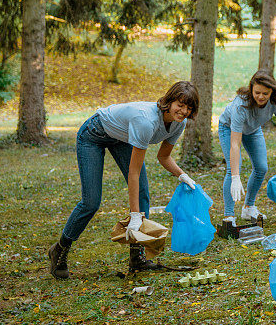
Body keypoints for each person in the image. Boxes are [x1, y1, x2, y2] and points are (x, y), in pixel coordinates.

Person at [48, 81, 201, 279]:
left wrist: (182, 175)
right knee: (91, 202)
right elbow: (134, 173)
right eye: (180, 105)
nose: (183, 111)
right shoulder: (146, 121)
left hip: (121, 137)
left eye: (189, 108)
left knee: (143, 192)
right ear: (169, 101)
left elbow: (163, 157)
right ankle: (60, 250)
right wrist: (134, 215)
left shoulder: (179, 123)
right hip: (94, 134)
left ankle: (137, 258)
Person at [218, 71, 276, 228]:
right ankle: (229, 216)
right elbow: (235, 144)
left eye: (265, 93)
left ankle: (248, 207)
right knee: (232, 169)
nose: (261, 97)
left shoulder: (274, 102)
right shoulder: (240, 106)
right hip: (228, 128)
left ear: (272, 92)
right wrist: (236, 177)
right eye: (257, 92)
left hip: (252, 129)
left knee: (261, 167)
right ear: (251, 89)